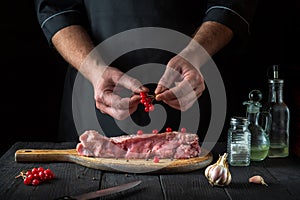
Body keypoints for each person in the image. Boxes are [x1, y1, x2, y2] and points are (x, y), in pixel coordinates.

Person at [34, 0, 258, 142]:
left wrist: (196, 54)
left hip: (194, 105)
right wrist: (95, 70)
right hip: (95, 106)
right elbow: (55, 6)